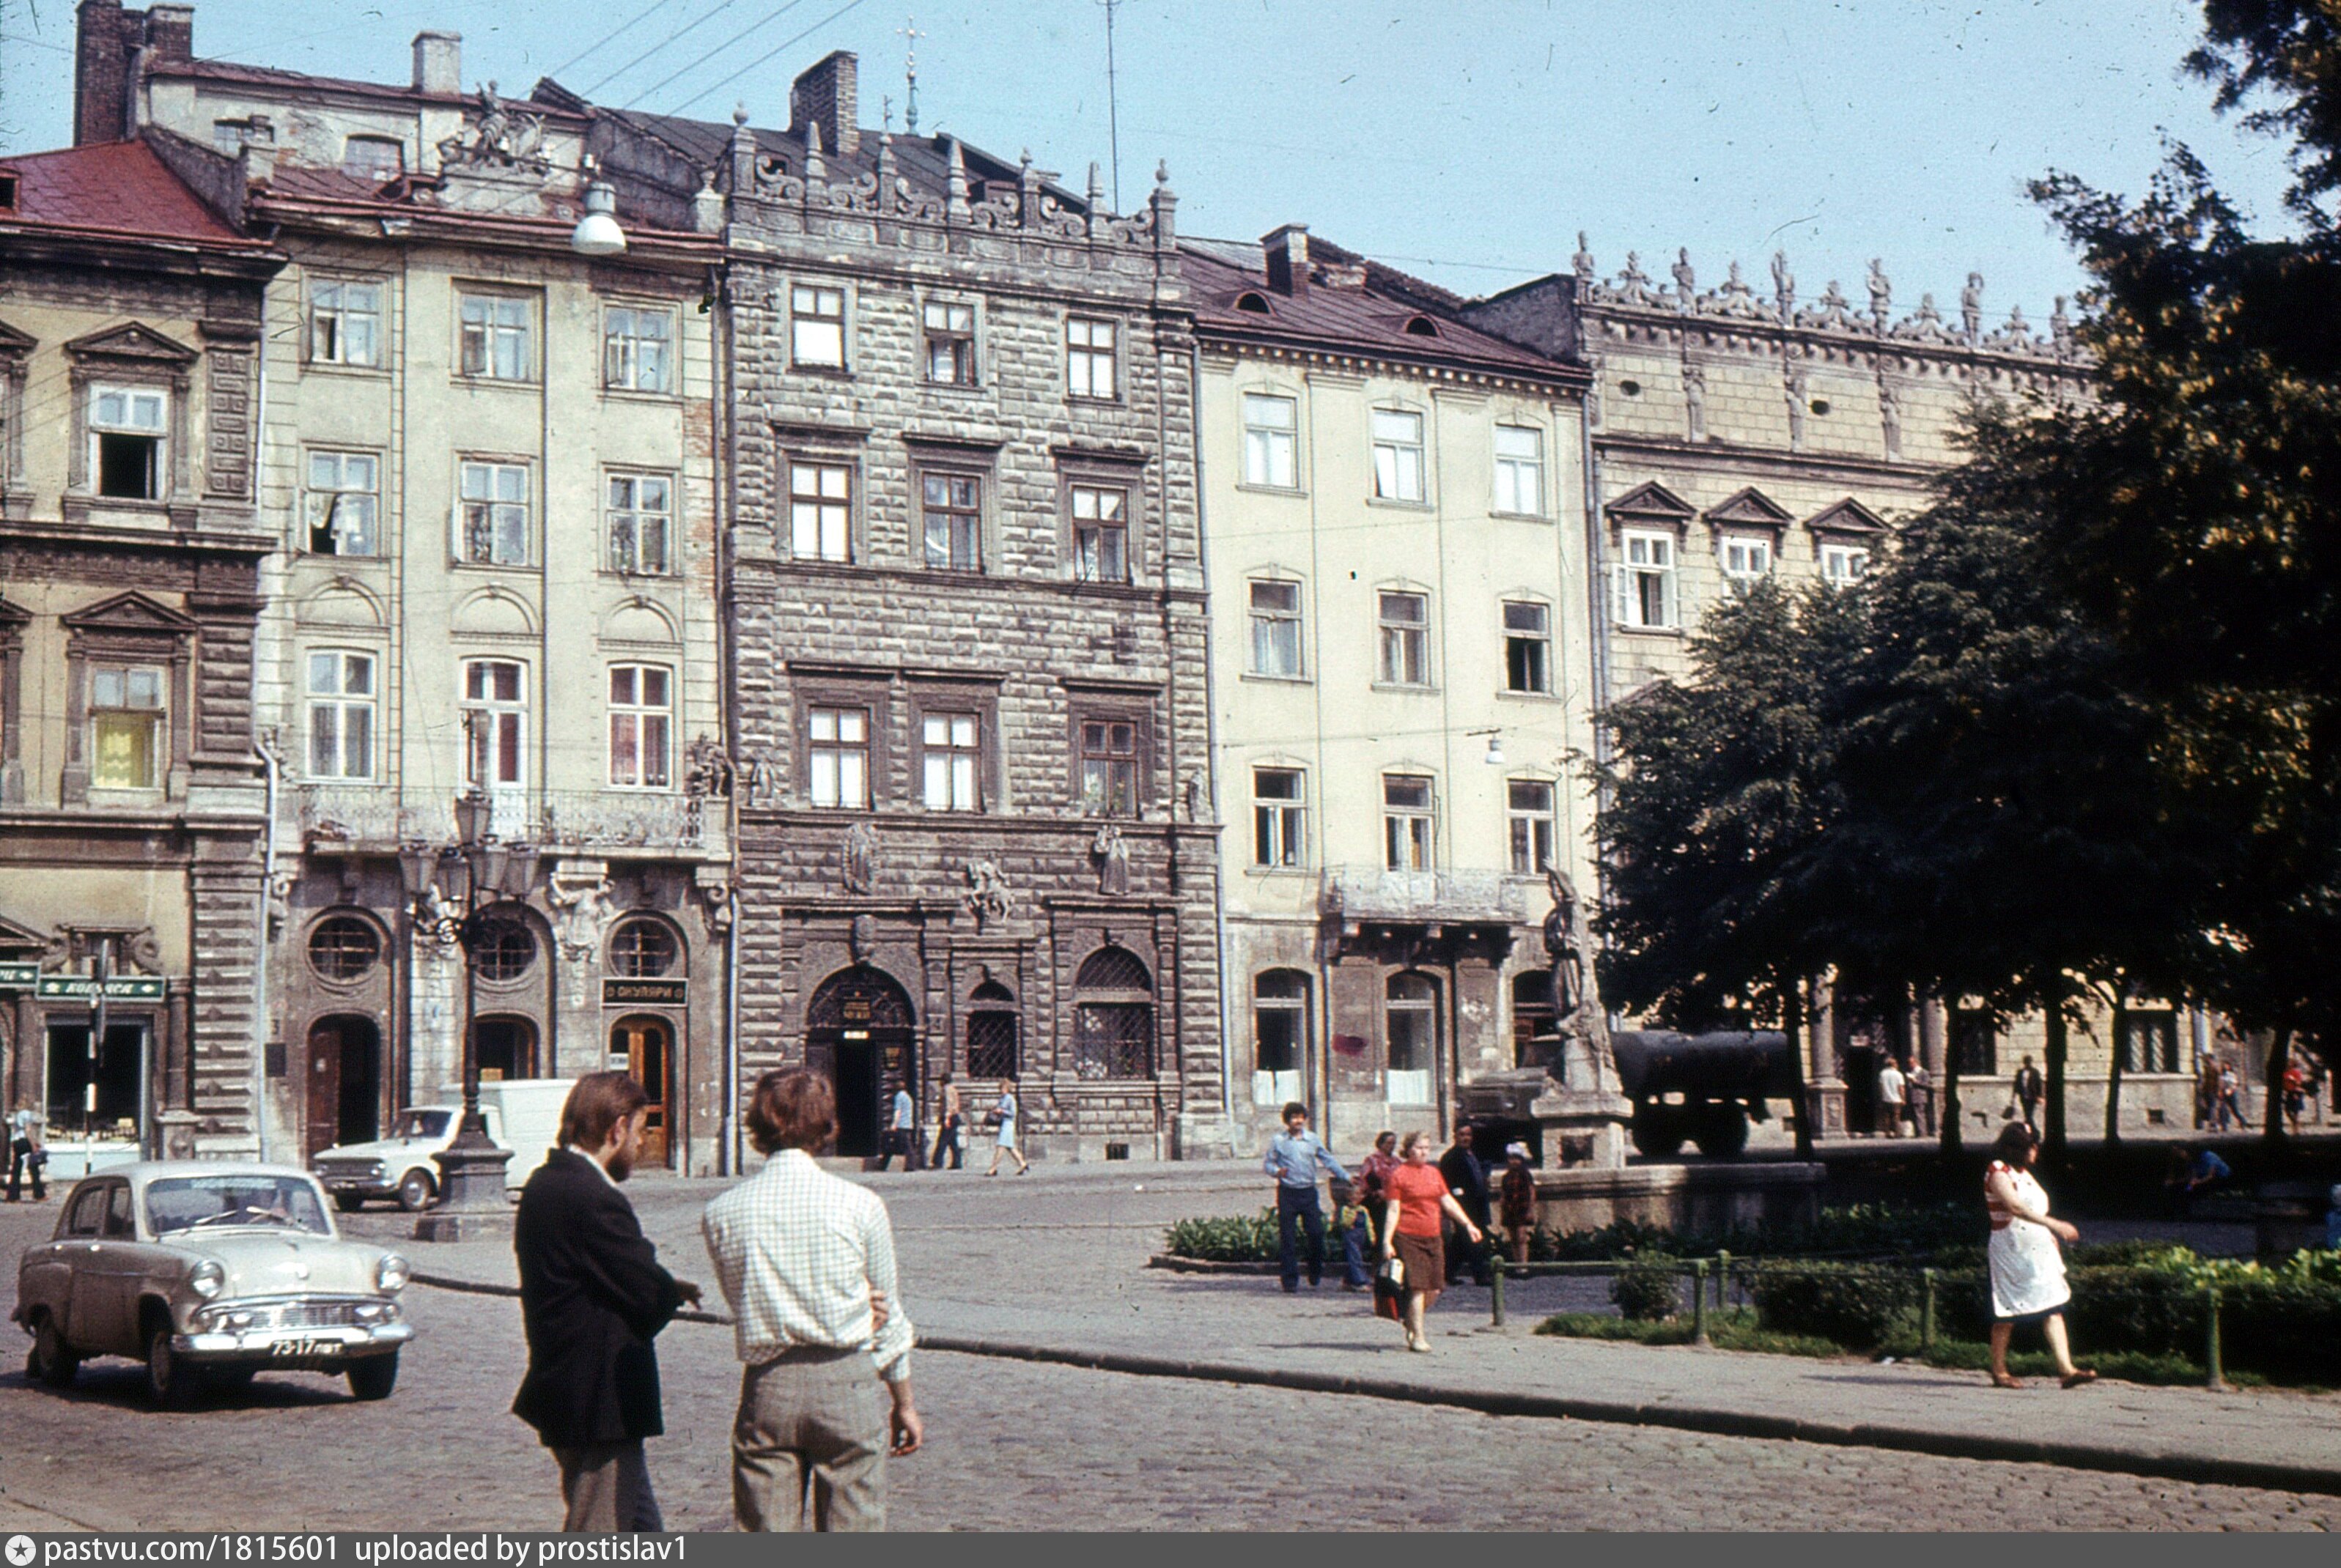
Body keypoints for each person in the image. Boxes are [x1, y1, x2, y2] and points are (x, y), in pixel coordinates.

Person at [703, 1070, 921, 1532]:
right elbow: (890, 1315)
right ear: (827, 1126)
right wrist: (902, 1400)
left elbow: (739, 1298)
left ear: (757, 1127)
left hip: (769, 1386)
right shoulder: (860, 1204)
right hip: (848, 1381)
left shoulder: (723, 1211)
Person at [512, 1071, 701, 1531]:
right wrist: (662, 1288)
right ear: (616, 1129)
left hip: (571, 1390)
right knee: (598, 1532)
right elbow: (645, 1291)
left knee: (640, 1528)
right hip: (600, 1401)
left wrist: (657, 1282)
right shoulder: (594, 1196)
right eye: (638, 1132)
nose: (639, 1146)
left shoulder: (545, 1183)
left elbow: (598, 1273)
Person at [1983, 1121, 2093, 1391]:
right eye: (2032, 1147)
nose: (2036, 1152)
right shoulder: (1999, 1171)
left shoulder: (2025, 1174)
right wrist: (2055, 1225)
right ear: (2017, 1148)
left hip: (2037, 1251)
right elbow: (2015, 1207)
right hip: (2011, 1251)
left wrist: (2049, 1238)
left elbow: (2033, 1210)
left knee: (2053, 1306)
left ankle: (2066, 1370)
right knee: (2007, 1311)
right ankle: (1999, 1371)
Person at [1379, 1131, 1484, 1353]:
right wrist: (1387, 1241)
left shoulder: (1434, 1173)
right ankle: (1418, 1336)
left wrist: (1468, 1225)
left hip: (1433, 1235)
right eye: (1418, 1148)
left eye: (1427, 1148)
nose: (1423, 1152)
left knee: (1435, 1287)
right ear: (1408, 1149)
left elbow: (1448, 1201)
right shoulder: (1398, 1175)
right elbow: (1393, 1210)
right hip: (1407, 1235)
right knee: (1418, 1286)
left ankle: (1410, 1318)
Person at [1262, 1101, 1348, 1293]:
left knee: (1316, 1233)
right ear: (1287, 1121)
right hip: (1288, 1193)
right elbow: (1268, 1164)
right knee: (1288, 1238)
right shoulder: (1279, 1140)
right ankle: (1290, 1280)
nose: (1298, 1121)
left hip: (1308, 1192)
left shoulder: (1313, 1139)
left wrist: (1346, 1176)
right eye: (1294, 1117)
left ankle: (1315, 1271)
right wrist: (1277, 1171)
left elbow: (1328, 1160)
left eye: (1301, 1117)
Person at [1438, 1125, 1492, 1286]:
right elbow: (1447, 1184)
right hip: (1463, 1206)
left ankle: (1447, 1273)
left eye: (1468, 1134)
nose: (1466, 1138)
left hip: (1477, 1204)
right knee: (1473, 1240)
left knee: (1460, 1243)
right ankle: (1480, 1274)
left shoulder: (1472, 1154)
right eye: (1462, 1134)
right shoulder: (1451, 1157)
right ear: (1455, 1136)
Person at [1356, 1131, 1400, 1252]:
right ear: (1380, 1144)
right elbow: (1365, 1178)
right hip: (1376, 1200)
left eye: (1394, 1143)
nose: (1392, 1146)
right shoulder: (1372, 1160)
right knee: (1380, 1229)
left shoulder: (1396, 1161)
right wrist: (1377, 1191)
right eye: (1389, 1143)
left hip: (1394, 1199)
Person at [1497, 1143, 1538, 1266]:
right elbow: (1503, 1194)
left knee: (1521, 1238)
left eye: (1517, 1158)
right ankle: (1517, 1263)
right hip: (1510, 1209)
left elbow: (1531, 1191)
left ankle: (1523, 1264)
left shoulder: (1525, 1175)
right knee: (1513, 1238)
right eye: (1511, 1158)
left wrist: (1530, 1210)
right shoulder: (1506, 1177)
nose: (1514, 1162)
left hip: (1522, 1209)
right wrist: (1502, 1209)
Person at [1330, 1178, 1374, 1291]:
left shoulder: (1363, 1210)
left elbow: (1369, 1224)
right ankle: (1361, 1281)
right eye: (1353, 1195)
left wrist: (1372, 1237)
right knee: (1355, 1257)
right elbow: (1344, 1223)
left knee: (1356, 1257)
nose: (1355, 1197)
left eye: (1359, 1195)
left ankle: (1348, 1280)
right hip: (1351, 1236)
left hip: (1361, 1237)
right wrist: (1351, 1215)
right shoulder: (1346, 1209)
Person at [984, 1078, 1028, 1176]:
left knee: (1001, 1146)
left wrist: (1002, 1111)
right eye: (1000, 1088)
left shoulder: (1009, 1098)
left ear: (1007, 1088)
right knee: (1010, 1147)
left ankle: (993, 1168)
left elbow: (1013, 1113)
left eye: (1002, 1088)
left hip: (1008, 1124)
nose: (1001, 1090)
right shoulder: (1003, 1098)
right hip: (1005, 1123)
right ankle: (1023, 1164)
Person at [7, 1104, 46, 1203]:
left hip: (16, 1142)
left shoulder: (17, 1115)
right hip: (24, 1141)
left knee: (16, 1169)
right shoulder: (26, 1114)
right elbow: (28, 1130)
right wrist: (33, 1145)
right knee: (34, 1167)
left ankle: (13, 1196)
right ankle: (39, 1194)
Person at [876, 1083, 918, 1172]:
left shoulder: (899, 1097)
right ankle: (883, 1164)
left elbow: (898, 1111)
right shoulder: (908, 1097)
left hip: (901, 1125)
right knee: (893, 1146)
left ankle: (911, 1166)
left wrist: (894, 1124)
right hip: (908, 1124)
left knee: (907, 1147)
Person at [929, 1073, 963, 1172]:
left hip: (950, 1117)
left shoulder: (947, 1089)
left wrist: (946, 1118)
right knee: (953, 1142)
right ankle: (957, 1162)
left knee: (942, 1140)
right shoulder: (953, 1089)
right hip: (955, 1117)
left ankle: (937, 1162)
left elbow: (949, 1104)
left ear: (943, 1081)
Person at [1877, 1057, 1907, 1138]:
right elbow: (1901, 1088)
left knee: (1886, 1117)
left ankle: (1888, 1133)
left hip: (1886, 1098)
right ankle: (1897, 1133)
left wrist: (1881, 1096)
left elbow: (1881, 1087)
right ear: (1894, 1065)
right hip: (1896, 1099)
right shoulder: (1898, 1074)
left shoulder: (1882, 1074)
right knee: (1896, 1117)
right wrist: (1903, 1098)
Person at [2013, 1056, 2045, 1129]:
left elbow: (2039, 1084)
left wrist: (2040, 1096)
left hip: (2032, 1097)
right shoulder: (2020, 1072)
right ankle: (2028, 1130)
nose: (2028, 1064)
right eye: (2027, 1062)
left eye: (2029, 1062)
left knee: (2029, 1115)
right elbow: (2017, 1084)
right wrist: (2014, 1096)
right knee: (2027, 1115)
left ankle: (2034, 1131)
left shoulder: (2035, 1072)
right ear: (2024, 1063)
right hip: (2024, 1097)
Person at [2217, 1059, 2244, 1131]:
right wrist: (2220, 1092)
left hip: (2231, 1093)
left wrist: (2231, 1090)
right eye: (2224, 1065)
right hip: (2224, 1093)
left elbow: (2235, 1084)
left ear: (2229, 1066)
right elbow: (2221, 1085)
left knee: (2234, 1110)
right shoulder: (2222, 1075)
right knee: (2222, 1109)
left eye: (2226, 1065)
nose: (2225, 1066)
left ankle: (2242, 1121)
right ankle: (2224, 1126)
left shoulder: (2232, 1074)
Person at [2283, 1059, 2307, 1137]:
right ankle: (2295, 1123)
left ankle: (2296, 1131)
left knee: (2296, 1112)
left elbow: (2299, 1083)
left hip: (2296, 1092)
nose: (2288, 1064)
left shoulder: (2296, 1072)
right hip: (2289, 1093)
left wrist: (2292, 1079)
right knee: (2287, 1110)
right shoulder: (2285, 1073)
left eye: (2290, 1063)